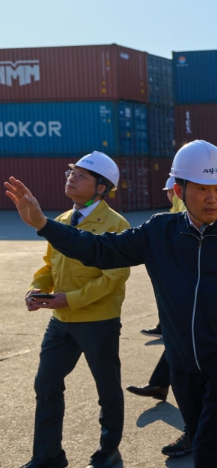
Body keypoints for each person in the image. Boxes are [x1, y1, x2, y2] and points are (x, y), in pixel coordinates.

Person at [5, 140, 217, 468]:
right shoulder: (159, 231)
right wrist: (44, 225)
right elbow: (99, 250)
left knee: (212, 448)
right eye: (202, 189)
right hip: (182, 361)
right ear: (179, 190)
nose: (213, 198)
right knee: (199, 432)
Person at [19, 151, 130, 468]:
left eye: (81, 175)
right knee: (46, 384)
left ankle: (108, 451)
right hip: (61, 321)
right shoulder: (61, 222)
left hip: (98, 321)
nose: (71, 177)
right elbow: (50, 265)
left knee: (107, 389)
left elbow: (114, 277)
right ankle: (48, 456)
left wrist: (70, 298)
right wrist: (36, 288)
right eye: (71, 172)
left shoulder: (116, 224)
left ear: (101, 188)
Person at [140, 176, 184, 339]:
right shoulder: (175, 207)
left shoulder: (182, 204)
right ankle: (164, 327)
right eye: (168, 192)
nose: (170, 195)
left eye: (171, 191)